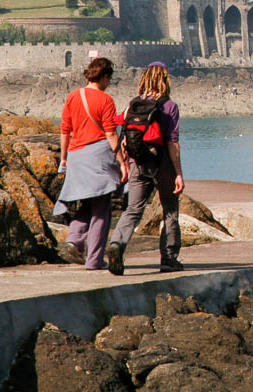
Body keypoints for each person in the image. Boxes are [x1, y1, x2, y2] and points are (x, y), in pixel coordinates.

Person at [106, 62, 185, 275]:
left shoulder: (134, 104)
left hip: (137, 163)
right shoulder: (169, 106)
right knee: (170, 211)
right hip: (162, 165)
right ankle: (169, 257)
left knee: (133, 209)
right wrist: (178, 173)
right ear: (165, 80)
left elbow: (114, 126)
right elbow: (172, 141)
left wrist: (124, 159)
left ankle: (117, 244)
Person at [54, 57, 129, 270]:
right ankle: (94, 260)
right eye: (109, 78)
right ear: (104, 76)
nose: (109, 82)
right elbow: (110, 133)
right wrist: (122, 162)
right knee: (101, 209)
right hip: (97, 156)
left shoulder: (73, 96)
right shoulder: (105, 100)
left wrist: (64, 158)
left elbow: (65, 129)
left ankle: (73, 240)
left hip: (76, 155)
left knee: (86, 203)